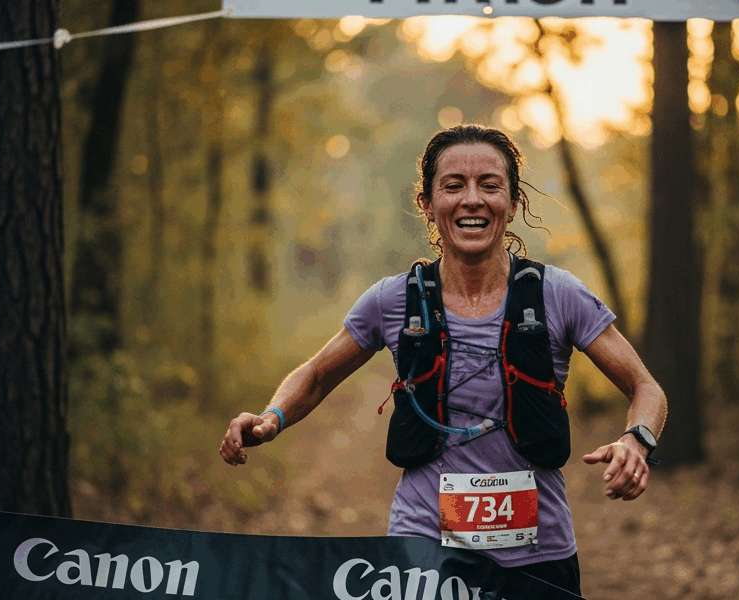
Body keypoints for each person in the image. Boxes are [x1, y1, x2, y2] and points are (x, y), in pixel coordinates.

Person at [219, 124, 667, 596]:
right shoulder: (392, 300)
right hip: (423, 552)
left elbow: (646, 389)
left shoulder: (559, 295)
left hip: (540, 554)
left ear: (513, 203)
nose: (472, 199)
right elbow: (314, 375)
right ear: (428, 205)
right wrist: (271, 417)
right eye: (453, 186)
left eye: (489, 185)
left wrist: (636, 441)